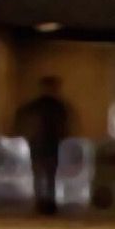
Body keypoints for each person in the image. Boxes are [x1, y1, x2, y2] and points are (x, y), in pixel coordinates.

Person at [14, 75, 70, 216]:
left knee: (41, 174)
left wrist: (26, 134)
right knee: (49, 175)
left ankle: (42, 201)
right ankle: (48, 202)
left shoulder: (37, 105)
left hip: (40, 143)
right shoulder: (57, 106)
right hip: (49, 144)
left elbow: (22, 116)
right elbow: (64, 125)